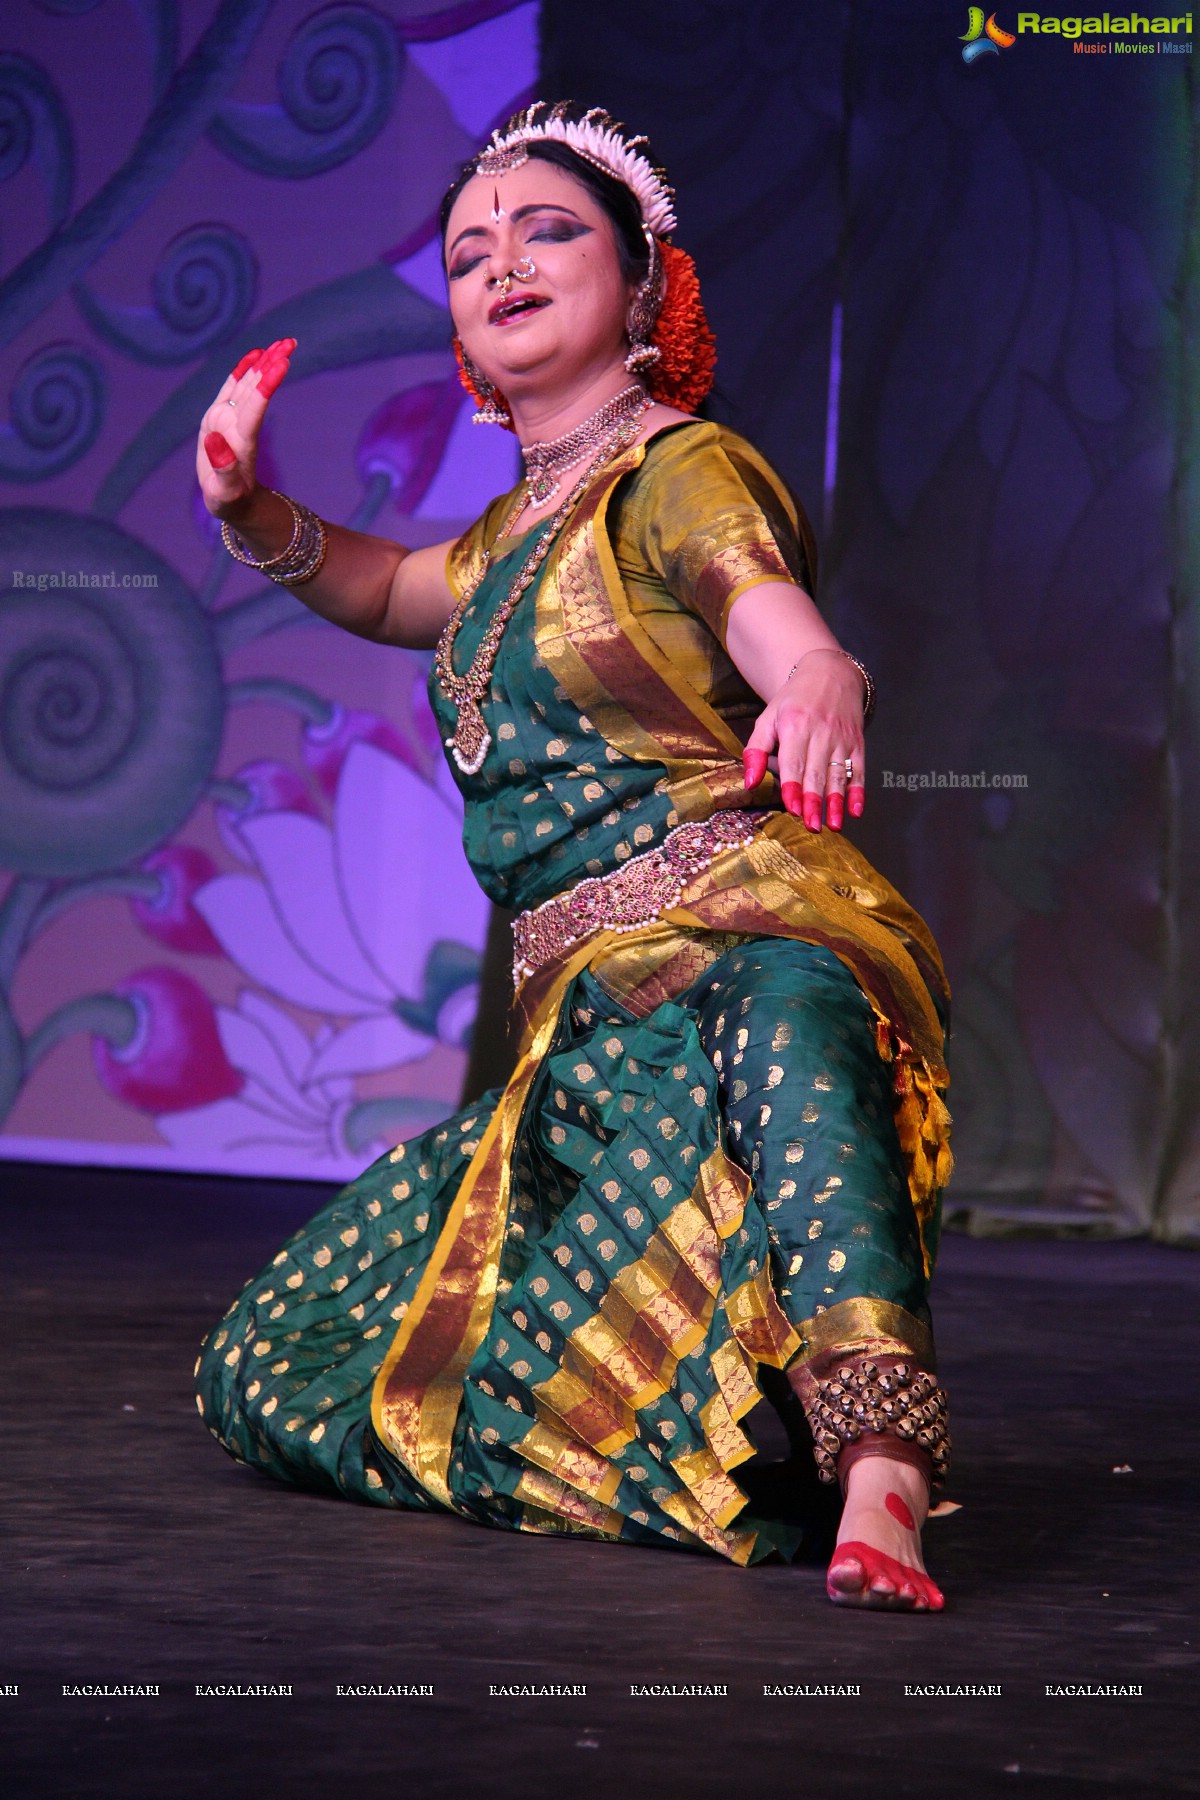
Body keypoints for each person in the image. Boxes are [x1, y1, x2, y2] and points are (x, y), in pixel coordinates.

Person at [194, 102, 955, 1612]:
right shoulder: (498, 545)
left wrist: (820, 678)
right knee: (267, 1368)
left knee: (797, 1024)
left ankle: (886, 1477)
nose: (501, 261)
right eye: (470, 250)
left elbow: (769, 615)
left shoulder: (681, 473)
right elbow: (384, 585)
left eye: (547, 231)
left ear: (642, 285)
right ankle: (725, 1454)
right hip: (582, 1040)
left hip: (735, 953)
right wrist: (248, 508)